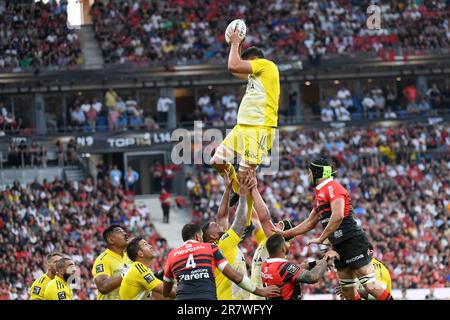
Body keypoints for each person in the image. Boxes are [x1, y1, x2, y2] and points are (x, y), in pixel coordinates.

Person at [274, 157, 393, 300]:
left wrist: (321, 238)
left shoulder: (333, 188)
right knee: (348, 291)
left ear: (317, 173)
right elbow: (310, 222)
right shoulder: (319, 193)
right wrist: (284, 233)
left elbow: (338, 215)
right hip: (338, 245)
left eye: (309, 173)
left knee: (370, 285)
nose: (308, 176)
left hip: (351, 240)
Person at [210, 27, 280, 225]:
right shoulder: (256, 77)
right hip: (242, 127)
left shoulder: (266, 66)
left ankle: (252, 222)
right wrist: (238, 45)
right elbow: (235, 66)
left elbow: (234, 66)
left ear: (254, 61)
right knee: (217, 160)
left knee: (245, 179)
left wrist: (234, 42)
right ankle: (234, 190)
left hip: (259, 128)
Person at [162, 223, 280, 300]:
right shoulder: (210, 248)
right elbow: (236, 277)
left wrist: (186, 289)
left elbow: (166, 292)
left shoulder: (172, 255)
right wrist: (260, 291)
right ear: (198, 237)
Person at [201, 172, 255, 300]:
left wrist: (227, 190)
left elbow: (222, 216)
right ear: (213, 235)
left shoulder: (217, 245)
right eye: (215, 225)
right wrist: (242, 196)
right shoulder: (223, 244)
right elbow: (240, 221)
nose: (218, 223)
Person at [262, 234, 339, 300]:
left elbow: (294, 269)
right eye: (285, 243)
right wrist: (326, 259)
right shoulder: (284, 267)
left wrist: (315, 263)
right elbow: (313, 277)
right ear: (283, 248)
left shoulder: (265, 264)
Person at [92, 225, 131, 300]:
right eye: (120, 232)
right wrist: (126, 274)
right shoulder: (103, 260)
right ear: (111, 240)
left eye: (124, 231)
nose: (125, 234)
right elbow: (103, 286)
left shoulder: (130, 257)